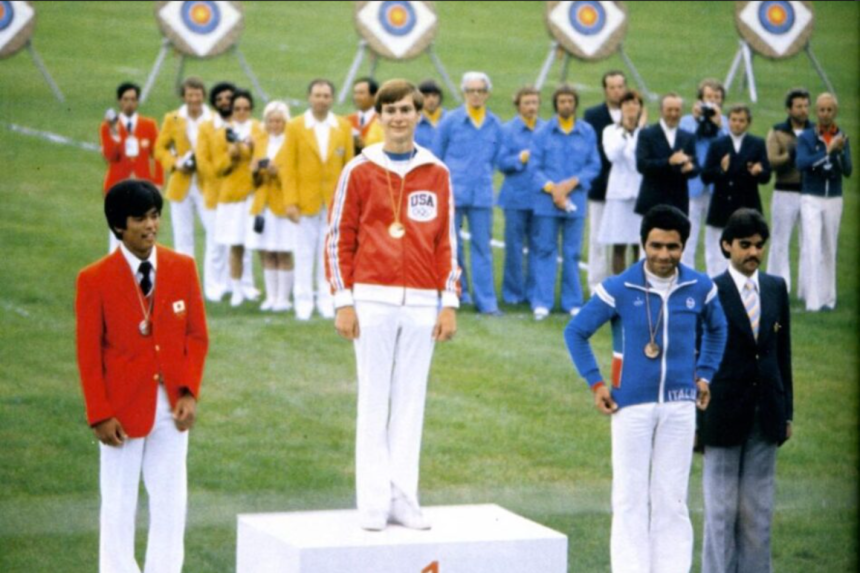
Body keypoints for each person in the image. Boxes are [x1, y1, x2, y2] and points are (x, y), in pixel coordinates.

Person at [326, 79, 459, 531]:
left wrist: (449, 302)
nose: (399, 117)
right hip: (372, 299)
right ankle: (372, 502)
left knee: (410, 402)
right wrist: (343, 300)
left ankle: (404, 497)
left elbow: (447, 242)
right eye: (391, 110)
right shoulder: (359, 170)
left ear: (419, 114)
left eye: (406, 109)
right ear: (377, 116)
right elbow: (338, 238)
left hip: (423, 301)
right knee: (374, 399)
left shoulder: (436, 171)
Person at [565, 205, 727, 573]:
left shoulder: (699, 287)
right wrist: (596, 383)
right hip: (630, 406)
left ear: (683, 246)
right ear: (643, 244)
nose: (663, 255)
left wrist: (705, 374)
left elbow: (718, 330)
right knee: (629, 498)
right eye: (655, 246)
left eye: (672, 247)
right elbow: (575, 332)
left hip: (680, 405)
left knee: (672, 499)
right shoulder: (618, 288)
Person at [76, 179, 208, 572]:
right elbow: (88, 354)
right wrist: (99, 413)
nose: (151, 226)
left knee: (171, 503)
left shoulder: (182, 267)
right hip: (119, 412)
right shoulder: (94, 279)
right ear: (119, 226)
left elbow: (197, 336)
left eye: (155, 216)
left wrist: (188, 394)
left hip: (171, 407)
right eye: (140, 219)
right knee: (118, 506)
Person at [699, 208, 793, 573]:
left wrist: (786, 412)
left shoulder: (775, 287)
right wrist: (696, 420)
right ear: (726, 246)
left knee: (758, 513)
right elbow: (697, 358)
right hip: (722, 414)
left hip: (766, 413)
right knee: (721, 514)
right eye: (744, 245)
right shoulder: (711, 291)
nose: (753, 252)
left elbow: (781, 354)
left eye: (759, 246)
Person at [433, 71, 503, 314]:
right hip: (453, 194)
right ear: (464, 93)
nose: (476, 95)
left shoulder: (495, 124)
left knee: (482, 247)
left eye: (480, 91)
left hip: (482, 195)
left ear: (487, 94)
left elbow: (495, 159)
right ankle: (458, 295)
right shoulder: (450, 121)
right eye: (471, 90)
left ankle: (487, 302)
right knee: (452, 248)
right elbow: (437, 157)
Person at [284, 79, 355, 320]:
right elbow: (288, 167)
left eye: (326, 95)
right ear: (309, 97)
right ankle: (303, 302)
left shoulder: (342, 127)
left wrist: (349, 201)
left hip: (334, 202)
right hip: (305, 201)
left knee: (329, 253)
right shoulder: (295, 126)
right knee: (304, 252)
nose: (321, 99)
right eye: (317, 95)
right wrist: (291, 201)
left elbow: (349, 166)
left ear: (332, 99)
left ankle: (327, 299)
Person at [529, 84, 600, 320]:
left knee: (572, 252)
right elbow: (534, 167)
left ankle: (572, 302)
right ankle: (542, 302)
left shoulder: (587, 131)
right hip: (547, 202)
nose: (566, 105)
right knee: (545, 250)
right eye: (562, 101)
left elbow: (594, 165)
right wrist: (553, 190)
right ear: (556, 105)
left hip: (575, 200)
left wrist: (571, 184)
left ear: (575, 104)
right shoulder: (542, 132)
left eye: (570, 101)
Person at [154, 77, 224, 302]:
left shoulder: (214, 118)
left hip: (206, 184)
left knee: (214, 233)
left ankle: (213, 287)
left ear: (203, 96)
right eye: (190, 95)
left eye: (198, 94)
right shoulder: (173, 118)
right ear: (184, 97)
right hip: (182, 182)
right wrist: (175, 163)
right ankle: (187, 286)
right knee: (183, 237)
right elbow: (160, 148)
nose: (194, 99)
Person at [195, 81, 254, 302]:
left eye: (228, 98)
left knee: (241, 241)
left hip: (240, 193)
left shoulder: (244, 127)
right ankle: (214, 285)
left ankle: (242, 284)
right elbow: (203, 160)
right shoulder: (208, 127)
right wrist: (220, 176)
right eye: (219, 99)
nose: (224, 103)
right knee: (216, 242)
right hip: (215, 193)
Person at [796, 92, 852, 312]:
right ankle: (812, 300)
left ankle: (829, 298)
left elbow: (847, 170)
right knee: (812, 246)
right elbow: (802, 164)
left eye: (830, 110)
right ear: (816, 112)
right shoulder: (807, 137)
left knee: (830, 247)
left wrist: (838, 154)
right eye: (822, 110)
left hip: (834, 198)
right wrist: (827, 153)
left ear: (835, 112)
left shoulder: (842, 137)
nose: (825, 114)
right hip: (811, 197)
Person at [701, 104, 771, 276]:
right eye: (733, 120)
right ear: (728, 121)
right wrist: (721, 170)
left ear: (748, 123)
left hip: (747, 205)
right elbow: (705, 176)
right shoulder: (718, 144)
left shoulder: (757, 143)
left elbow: (766, 176)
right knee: (717, 253)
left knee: (746, 251)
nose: (737, 124)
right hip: (721, 206)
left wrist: (758, 171)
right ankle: (715, 287)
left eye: (741, 120)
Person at [212, 90, 264, 307]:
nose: (241, 112)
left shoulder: (259, 130)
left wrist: (253, 150)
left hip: (253, 193)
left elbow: (264, 158)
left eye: (245, 108)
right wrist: (231, 156)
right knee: (235, 244)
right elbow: (218, 168)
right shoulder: (222, 132)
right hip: (232, 196)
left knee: (253, 243)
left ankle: (248, 285)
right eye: (237, 109)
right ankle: (236, 288)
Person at [100, 82, 163, 251]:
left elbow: (157, 155)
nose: (129, 103)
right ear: (119, 101)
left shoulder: (148, 125)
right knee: (118, 231)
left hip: (143, 186)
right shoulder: (108, 127)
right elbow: (110, 156)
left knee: (144, 229)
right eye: (126, 99)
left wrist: (158, 181)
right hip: (117, 185)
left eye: (133, 99)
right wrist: (114, 134)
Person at [583, 70, 631, 292]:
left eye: (620, 86)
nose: (616, 91)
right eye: (612, 87)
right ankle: (596, 285)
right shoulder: (593, 115)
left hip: (628, 188)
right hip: (601, 185)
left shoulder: (633, 113)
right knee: (598, 238)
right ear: (605, 90)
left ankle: (623, 284)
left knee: (627, 237)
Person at [247, 100, 297, 312]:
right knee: (267, 251)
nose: (275, 124)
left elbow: (295, 173)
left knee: (283, 251)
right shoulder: (261, 141)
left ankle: (284, 298)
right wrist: (255, 169)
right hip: (263, 203)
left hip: (283, 202)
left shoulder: (291, 143)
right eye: (271, 121)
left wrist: (279, 173)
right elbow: (253, 176)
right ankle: (271, 295)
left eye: (279, 120)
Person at [497, 86, 543, 305]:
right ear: (518, 105)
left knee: (538, 247)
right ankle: (513, 293)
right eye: (527, 103)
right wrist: (519, 159)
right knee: (514, 247)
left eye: (534, 102)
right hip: (515, 198)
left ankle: (534, 293)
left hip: (540, 198)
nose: (531, 107)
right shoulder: (507, 130)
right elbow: (501, 162)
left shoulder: (545, 129)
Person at [765, 88, 812, 295]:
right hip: (785, 191)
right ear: (789, 109)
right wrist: (790, 154)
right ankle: (778, 287)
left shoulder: (815, 132)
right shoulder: (778, 132)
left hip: (811, 192)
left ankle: (808, 290)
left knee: (810, 242)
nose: (803, 110)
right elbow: (772, 161)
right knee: (780, 241)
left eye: (806, 105)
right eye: (799, 106)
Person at [679, 79, 729, 270]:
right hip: (693, 185)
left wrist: (719, 126)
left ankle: (716, 279)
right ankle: (686, 277)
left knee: (716, 237)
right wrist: (697, 120)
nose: (713, 102)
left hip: (717, 186)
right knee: (688, 235)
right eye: (709, 97)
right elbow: (685, 142)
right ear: (700, 100)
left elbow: (729, 147)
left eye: (717, 98)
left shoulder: (726, 123)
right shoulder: (687, 121)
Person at [599, 89, 644, 275]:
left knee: (639, 244)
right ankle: (619, 287)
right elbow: (613, 155)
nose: (631, 107)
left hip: (640, 193)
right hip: (618, 194)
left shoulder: (646, 133)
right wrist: (625, 131)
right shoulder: (611, 131)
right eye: (626, 104)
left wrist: (635, 131)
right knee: (619, 244)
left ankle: (638, 286)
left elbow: (639, 160)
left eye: (635, 103)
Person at [635, 93, 699, 217]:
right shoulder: (647, 135)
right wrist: (669, 162)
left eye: (677, 110)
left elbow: (696, 166)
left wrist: (691, 168)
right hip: (652, 201)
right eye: (669, 110)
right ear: (661, 111)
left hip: (678, 202)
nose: (673, 114)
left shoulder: (688, 137)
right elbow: (641, 165)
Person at [346, 77, 381, 154]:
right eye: (355, 93)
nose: (357, 97)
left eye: (361, 93)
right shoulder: (346, 120)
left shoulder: (382, 120)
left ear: (375, 95)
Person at [414, 79, 445, 149]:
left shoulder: (449, 119)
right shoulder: (414, 121)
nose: (431, 100)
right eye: (426, 96)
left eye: (434, 95)